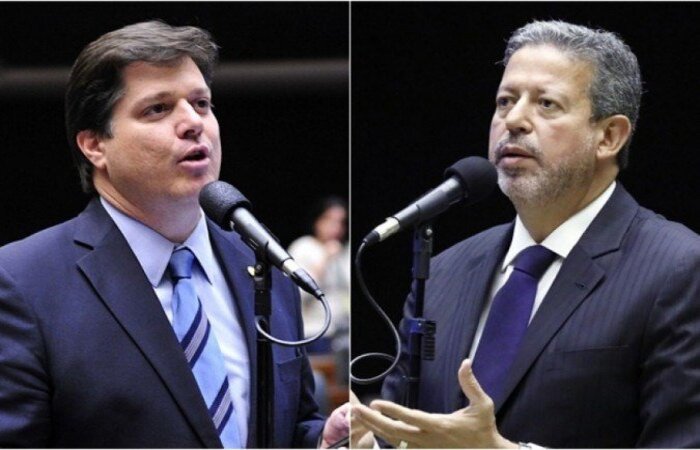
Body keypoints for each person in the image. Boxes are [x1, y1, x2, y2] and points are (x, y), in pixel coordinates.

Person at [352, 20, 700, 448]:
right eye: (505, 101)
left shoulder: (680, 268)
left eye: (547, 104)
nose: (514, 120)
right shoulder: (444, 271)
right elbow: (405, 433)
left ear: (609, 136)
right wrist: (365, 441)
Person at [0, 21, 348, 448]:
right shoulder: (22, 282)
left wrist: (325, 441)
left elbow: (291, 425)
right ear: (94, 145)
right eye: (158, 109)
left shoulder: (264, 267)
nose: (192, 123)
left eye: (201, 104)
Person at [288, 196, 349, 352]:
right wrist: (325, 259)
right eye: (329, 220)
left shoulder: (344, 251)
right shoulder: (303, 247)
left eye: (341, 222)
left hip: (339, 334)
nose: (335, 227)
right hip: (313, 333)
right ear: (317, 221)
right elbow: (298, 293)